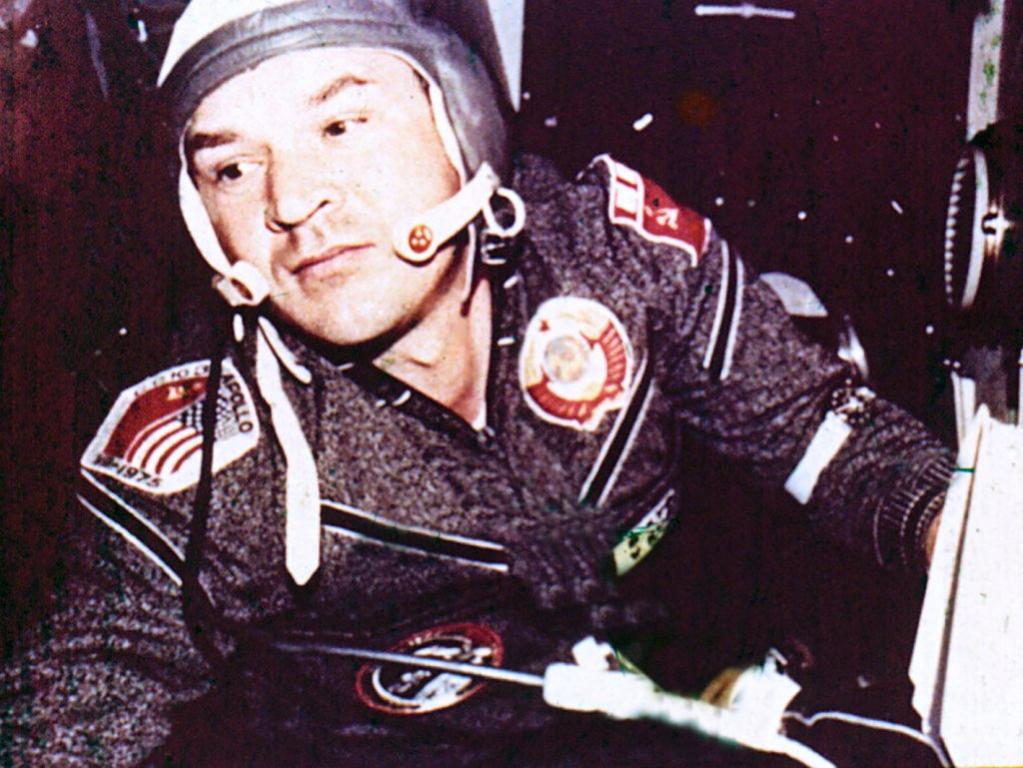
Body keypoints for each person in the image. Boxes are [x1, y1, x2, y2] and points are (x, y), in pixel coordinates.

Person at [0, 1, 953, 765]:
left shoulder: (617, 257)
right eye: (234, 169)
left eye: (341, 124)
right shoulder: (207, 458)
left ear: (460, 122)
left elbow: (830, 440)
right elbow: (73, 706)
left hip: (687, 711)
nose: (291, 202)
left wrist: (957, 537)